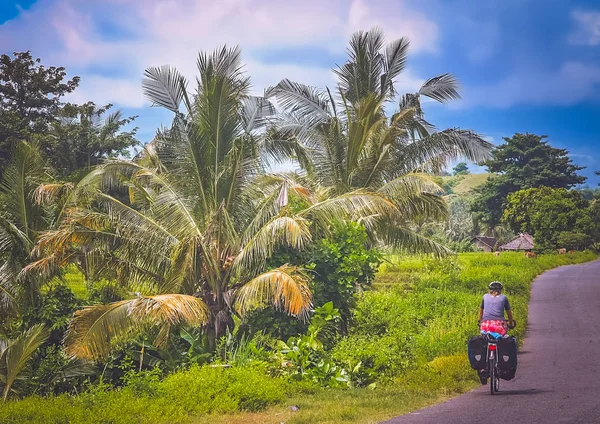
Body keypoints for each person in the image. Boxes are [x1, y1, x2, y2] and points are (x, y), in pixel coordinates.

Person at [477, 281, 515, 384]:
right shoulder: (504, 298)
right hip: (499, 326)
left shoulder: (485, 297)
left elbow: (481, 311)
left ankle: (483, 368)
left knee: (485, 342)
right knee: (501, 342)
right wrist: (511, 323)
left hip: (485, 325)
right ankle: (501, 363)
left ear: (490, 290)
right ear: (500, 290)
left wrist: (480, 322)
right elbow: (509, 313)